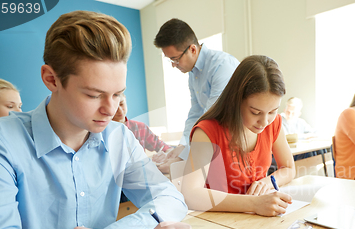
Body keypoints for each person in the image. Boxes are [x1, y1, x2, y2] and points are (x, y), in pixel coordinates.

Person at [0, 11, 190, 229]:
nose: (111, 109)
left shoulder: (119, 138)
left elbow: (170, 198)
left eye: (118, 94)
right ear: (51, 79)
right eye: (93, 95)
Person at [181, 55, 295, 217]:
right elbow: (190, 194)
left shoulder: (273, 123)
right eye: (255, 112)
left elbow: (289, 168)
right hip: (220, 222)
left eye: (272, 111)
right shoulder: (207, 131)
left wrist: (266, 182)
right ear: (236, 100)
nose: (264, 121)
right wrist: (254, 204)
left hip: (256, 219)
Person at [153, 18, 240, 173]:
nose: (174, 65)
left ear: (192, 49)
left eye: (175, 59)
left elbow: (211, 117)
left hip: (236, 146)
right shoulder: (194, 73)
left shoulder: (221, 66)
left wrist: (182, 158)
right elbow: (196, 113)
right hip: (215, 145)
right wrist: (182, 146)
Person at [113, 94, 172, 163]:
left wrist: (165, 154)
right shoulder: (102, 132)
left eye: (122, 104)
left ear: (125, 100)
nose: (120, 110)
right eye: (115, 106)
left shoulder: (140, 128)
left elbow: (166, 148)